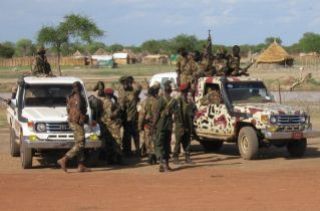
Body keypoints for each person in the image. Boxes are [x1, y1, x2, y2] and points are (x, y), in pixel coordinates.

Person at [57, 81, 90, 173]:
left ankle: (81, 165)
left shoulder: (70, 97)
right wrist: (82, 118)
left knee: (79, 142)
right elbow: (80, 108)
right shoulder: (79, 96)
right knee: (80, 143)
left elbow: (68, 109)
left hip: (72, 120)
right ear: (80, 88)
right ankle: (64, 159)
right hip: (77, 121)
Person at [153, 80, 176, 172]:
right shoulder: (173, 101)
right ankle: (165, 164)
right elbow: (175, 114)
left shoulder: (160, 100)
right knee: (167, 145)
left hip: (160, 126)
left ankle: (163, 163)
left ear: (163, 90)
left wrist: (153, 125)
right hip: (169, 126)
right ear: (170, 91)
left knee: (159, 145)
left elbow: (156, 114)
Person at [173, 83, 196, 164]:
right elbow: (177, 114)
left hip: (187, 124)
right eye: (187, 90)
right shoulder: (178, 100)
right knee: (178, 142)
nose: (188, 92)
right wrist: (180, 124)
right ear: (184, 91)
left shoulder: (188, 100)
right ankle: (175, 157)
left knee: (187, 142)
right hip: (180, 124)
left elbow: (193, 110)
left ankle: (187, 157)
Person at [118, 76, 142, 156]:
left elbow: (139, 87)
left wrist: (132, 81)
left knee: (135, 134)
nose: (125, 85)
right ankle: (127, 151)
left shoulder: (133, 91)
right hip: (126, 118)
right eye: (123, 83)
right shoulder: (122, 92)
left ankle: (137, 150)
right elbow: (121, 105)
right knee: (127, 136)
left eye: (126, 83)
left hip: (133, 117)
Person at [138, 83, 160, 164]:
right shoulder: (158, 101)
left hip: (148, 124)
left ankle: (150, 156)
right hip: (157, 124)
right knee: (155, 139)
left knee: (148, 140)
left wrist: (139, 126)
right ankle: (155, 155)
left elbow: (141, 115)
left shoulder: (144, 102)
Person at [101, 88, 123, 164]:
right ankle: (118, 159)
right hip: (112, 124)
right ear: (111, 94)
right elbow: (111, 115)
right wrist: (118, 109)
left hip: (105, 124)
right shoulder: (108, 102)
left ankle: (110, 159)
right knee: (117, 141)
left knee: (109, 142)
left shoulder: (103, 101)